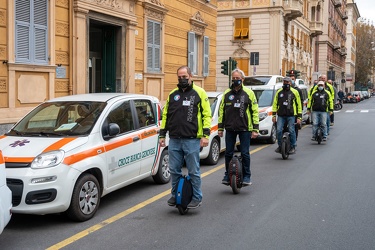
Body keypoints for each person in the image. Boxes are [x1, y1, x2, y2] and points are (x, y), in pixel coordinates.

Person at [159, 65, 211, 209]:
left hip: (192, 140)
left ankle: (196, 197)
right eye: (179, 77)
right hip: (174, 139)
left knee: (193, 171)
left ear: (191, 77)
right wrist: (162, 135)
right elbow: (166, 116)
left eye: (185, 77)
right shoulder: (173, 94)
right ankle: (175, 195)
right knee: (174, 170)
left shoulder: (199, 93)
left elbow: (207, 115)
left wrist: (205, 136)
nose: (182, 79)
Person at [218, 68, 259, 186]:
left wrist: (255, 129)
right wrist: (220, 128)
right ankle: (227, 174)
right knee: (228, 153)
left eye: (238, 78)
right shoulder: (226, 93)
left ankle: (247, 175)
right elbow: (222, 112)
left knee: (245, 153)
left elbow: (255, 112)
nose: (235, 80)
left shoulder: (249, 93)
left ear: (242, 79)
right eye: (234, 78)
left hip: (245, 128)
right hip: (230, 128)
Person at [272, 77, 302, 154]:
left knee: (291, 130)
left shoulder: (295, 92)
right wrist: (274, 115)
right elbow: (275, 104)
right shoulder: (279, 92)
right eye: (284, 82)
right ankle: (279, 146)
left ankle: (293, 146)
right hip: (281, 115)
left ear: (290, 83)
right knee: (278, 130)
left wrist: (299, 117)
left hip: (291, 115)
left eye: (287, 82)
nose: (286, 84)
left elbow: (299, 105)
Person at [290, 74, 303, 139]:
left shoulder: (298, 90)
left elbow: (300, 101)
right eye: (290, 79)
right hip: (285, 112)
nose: (292, 80)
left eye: (293, 79)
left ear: (295, 80)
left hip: (295, 112)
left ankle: (294, 139)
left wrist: (300, 113)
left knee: (295, 127)